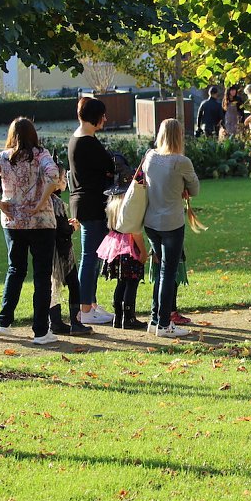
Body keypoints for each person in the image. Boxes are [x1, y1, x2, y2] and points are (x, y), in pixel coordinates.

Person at [0, 118, 61, 344]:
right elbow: (54, 175)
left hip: (13, 222)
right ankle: (41, 331)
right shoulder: (41, 155)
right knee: (42, 275)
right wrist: (41, 202)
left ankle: (4, 323)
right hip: (41, 222)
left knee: (15, 269)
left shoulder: (5, 157)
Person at [143, 118, 200, 338]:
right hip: (171, 223)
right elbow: (195, 189)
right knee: (168, 272)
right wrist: (182, 185)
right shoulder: (181, 161)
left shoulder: (150, 156)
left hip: (151, 221)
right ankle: (165, 323)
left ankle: (155, 318)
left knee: (161, 270)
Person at [68, 97, 116, 324]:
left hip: (85, 203)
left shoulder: (79, 139)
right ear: (95, 116)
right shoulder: (86, 142)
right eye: (102, 115)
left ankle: (91, 304)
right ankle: (85, 309)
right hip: (91, 204)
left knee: (93, 257)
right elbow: (109, 165)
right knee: (90, 257)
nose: (105, 119)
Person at [43, 164, 93, 335]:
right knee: (73, 284)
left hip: (48, 250)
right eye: (63, 178)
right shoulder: (56, 202)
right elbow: (62, 230)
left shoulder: (44, 199)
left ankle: (55, 322)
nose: (65, 181)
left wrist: (66, 224)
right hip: (62, 252)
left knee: (53, 285)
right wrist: (73, 227)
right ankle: (76, 322)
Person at [97, 168, 149, 329]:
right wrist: (143, 251)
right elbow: (135, 232)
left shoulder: (112, 205)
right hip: (128, 247)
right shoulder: (129, 208)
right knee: (132, 282)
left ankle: (118, 317)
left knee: (121, 282)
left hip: (115, 246)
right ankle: (129, 318)